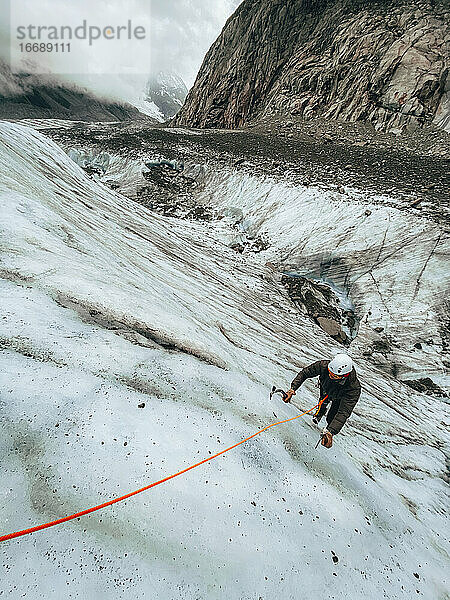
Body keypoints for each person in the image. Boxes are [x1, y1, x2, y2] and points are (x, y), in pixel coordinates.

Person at [283, 353, 361, 448]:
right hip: (326, 388)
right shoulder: (323, 366)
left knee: (332, 416)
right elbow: (305, 373)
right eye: (330, 373)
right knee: (322, 402)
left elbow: (343, 413)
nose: (331, 376)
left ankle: (327, 431)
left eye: (335, 376)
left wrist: (331, 432)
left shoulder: (353, 388)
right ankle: (319, 414)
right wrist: (292, 389)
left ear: (345, 375)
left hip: (339, 398)